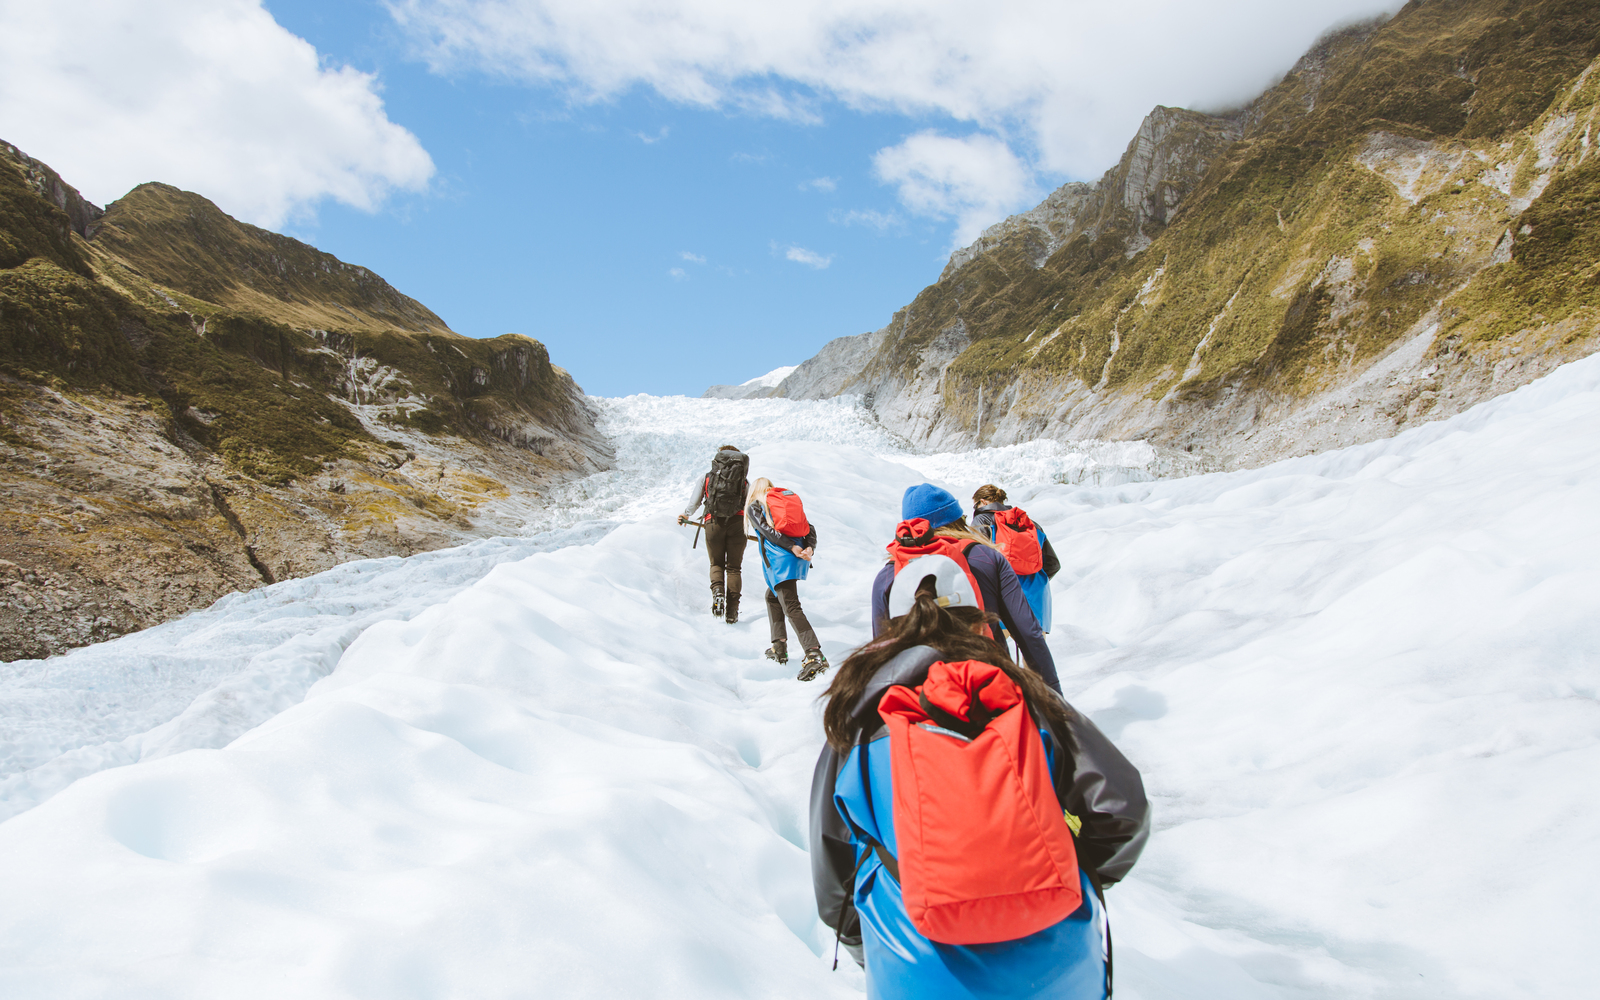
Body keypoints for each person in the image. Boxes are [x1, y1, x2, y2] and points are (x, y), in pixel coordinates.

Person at [809, 570, 1150, 996]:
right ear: (980, 625)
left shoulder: (859, 720)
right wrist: (1070, 880)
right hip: (1062, 967)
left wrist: (873, 946)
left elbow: (832, 876)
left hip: (914, 970)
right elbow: (1122, 809)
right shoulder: (1030, 699)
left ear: (891, 629)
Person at [871, 484, 1061, 692]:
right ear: (958, 520)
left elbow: (883, 651)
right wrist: (1054, 699)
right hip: (990, 688)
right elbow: (1028, 632)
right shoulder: (987, 557)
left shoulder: (888, 575)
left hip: (921, 699)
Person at [747, 476, 827, 680]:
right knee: (772, 597)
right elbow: (810, 528)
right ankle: (779, 647)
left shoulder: (756, 506)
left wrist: (791, 547)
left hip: (781, 560)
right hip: (796, 556)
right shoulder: (782, 505)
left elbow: (767, 531)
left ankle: (813, 653)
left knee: (791, 606)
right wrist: (808, 547)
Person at [972, 483, 1061, 641]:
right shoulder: (1029, 523)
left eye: (976, 504)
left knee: (993, 657)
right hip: (1036, 599)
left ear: (983, 502)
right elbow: (1053, 564)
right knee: (1035, 662)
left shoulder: (982, 520)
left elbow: (978, 560)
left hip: (1002, 599)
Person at [679, 445, 748, 624]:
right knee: (734, 568)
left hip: (713, 522)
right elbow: (750, 505)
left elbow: (694, 501)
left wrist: (686, 514)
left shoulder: (708, 477)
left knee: (716, 563)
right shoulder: (743, 479)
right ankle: (732, 612)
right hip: (738, 524)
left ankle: (718, 592)